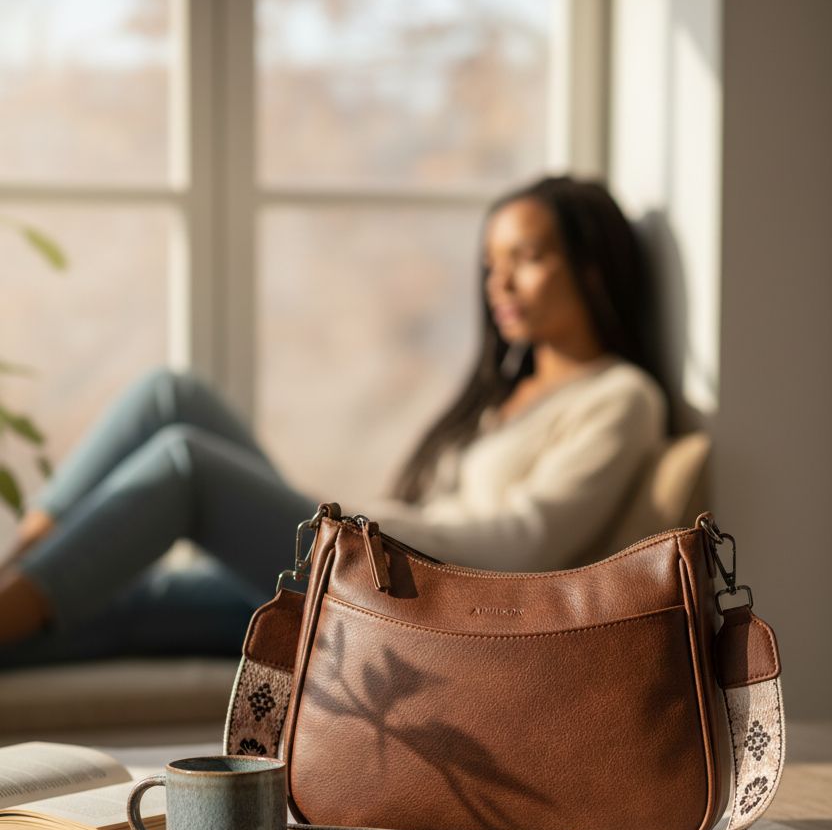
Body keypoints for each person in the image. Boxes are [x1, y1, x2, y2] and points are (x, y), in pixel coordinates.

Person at [0, 174, 668, 666]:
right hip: (376, 562)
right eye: (493, 265)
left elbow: (530, 545)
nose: (501, 284)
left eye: (527, 258)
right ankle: (16, 568)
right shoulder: (511, 395)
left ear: (593, 267)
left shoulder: (621, 397)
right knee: (169, 399)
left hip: (414, 601)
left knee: (188, 464)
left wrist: (362, 527)